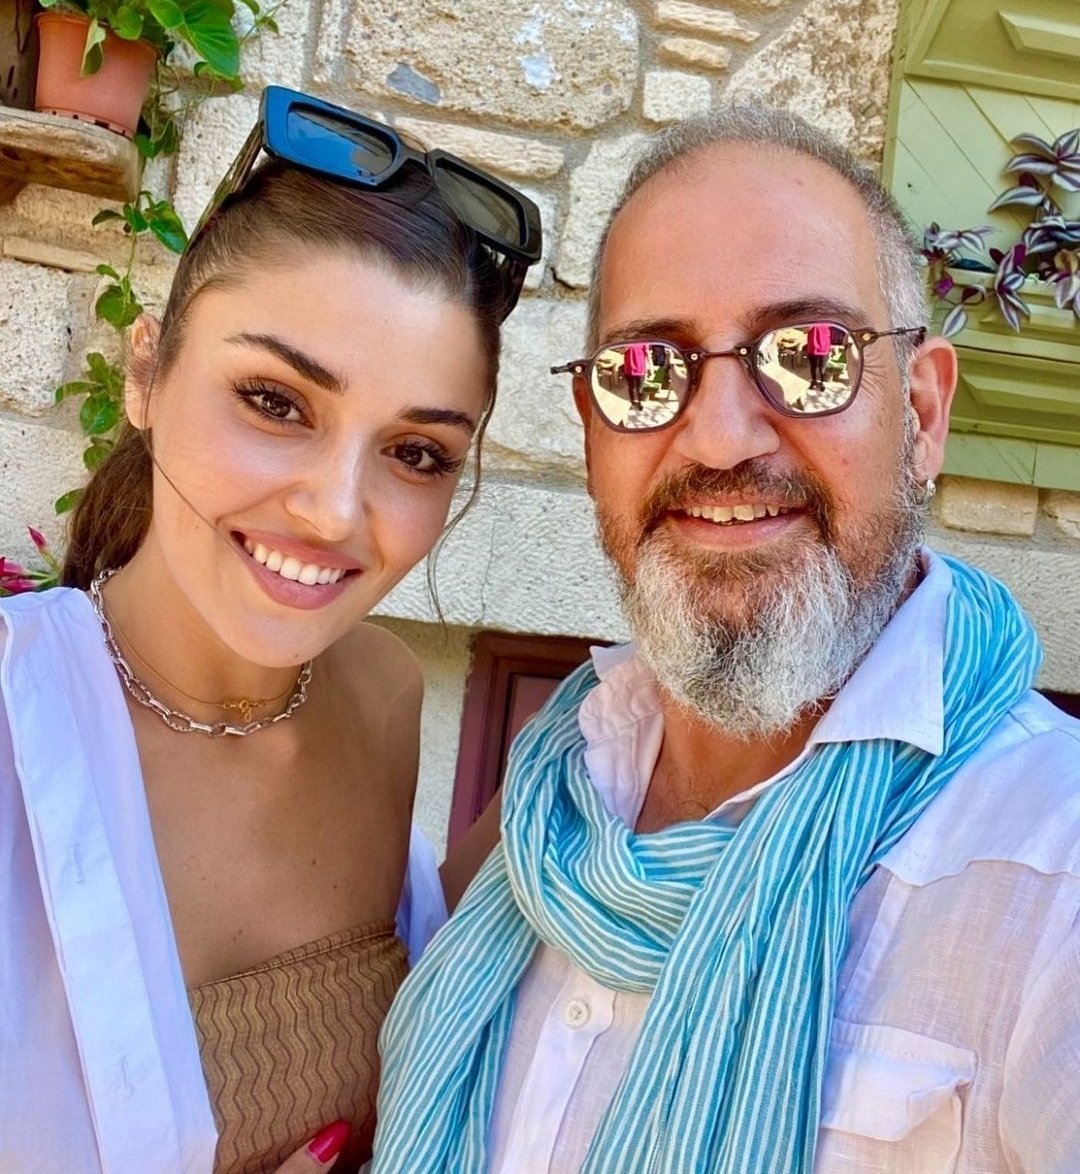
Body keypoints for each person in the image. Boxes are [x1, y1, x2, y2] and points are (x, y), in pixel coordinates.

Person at [372, 108, 1080, 1173]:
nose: (717, 439)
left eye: (809, 356)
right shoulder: (548, 806)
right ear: (593, 433)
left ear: (923, 415)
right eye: (645, 372)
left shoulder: (1050, 872)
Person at [0, 86, 540, 1174]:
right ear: (147, 372)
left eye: (417, 453)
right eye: (276, 402)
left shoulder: (383, 697)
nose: (335, 513)